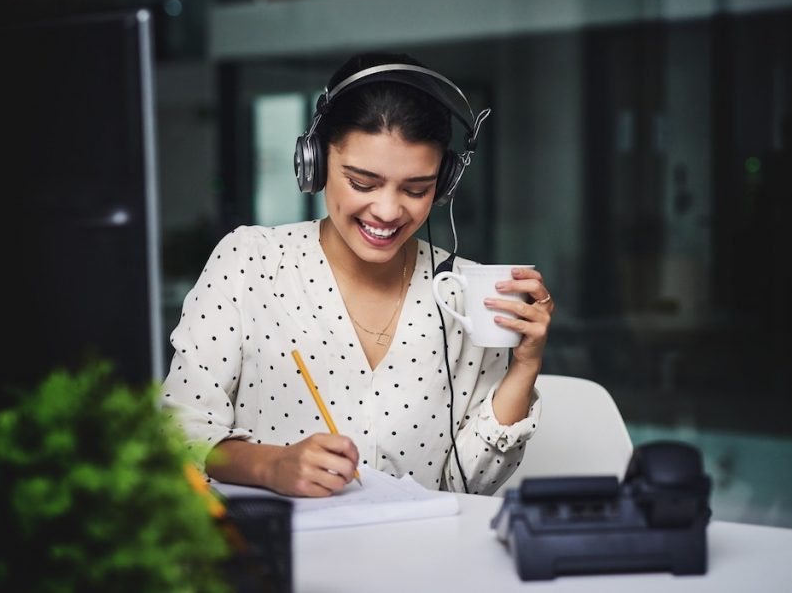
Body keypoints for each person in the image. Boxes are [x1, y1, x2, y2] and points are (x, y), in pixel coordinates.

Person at [161, 52, 554, 497]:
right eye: (362, 183)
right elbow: (179, 434)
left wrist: (524, 368)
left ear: (443, 185)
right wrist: (269, 465)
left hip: (417, 557)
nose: (387, 211)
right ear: (315, 161)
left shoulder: (464, 291)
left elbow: (465, 487)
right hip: (280, 556)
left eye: (416, 189)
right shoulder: (250, 262)